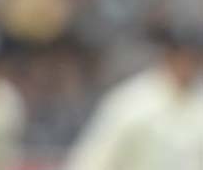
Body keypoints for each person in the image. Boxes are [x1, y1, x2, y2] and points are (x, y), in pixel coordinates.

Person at [62, 27, 203, 170]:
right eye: (183, 57)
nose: (188, 65)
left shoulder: (198, 102)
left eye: (194, 59)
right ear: (168, 57)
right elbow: (92, 159)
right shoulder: (132, 102)